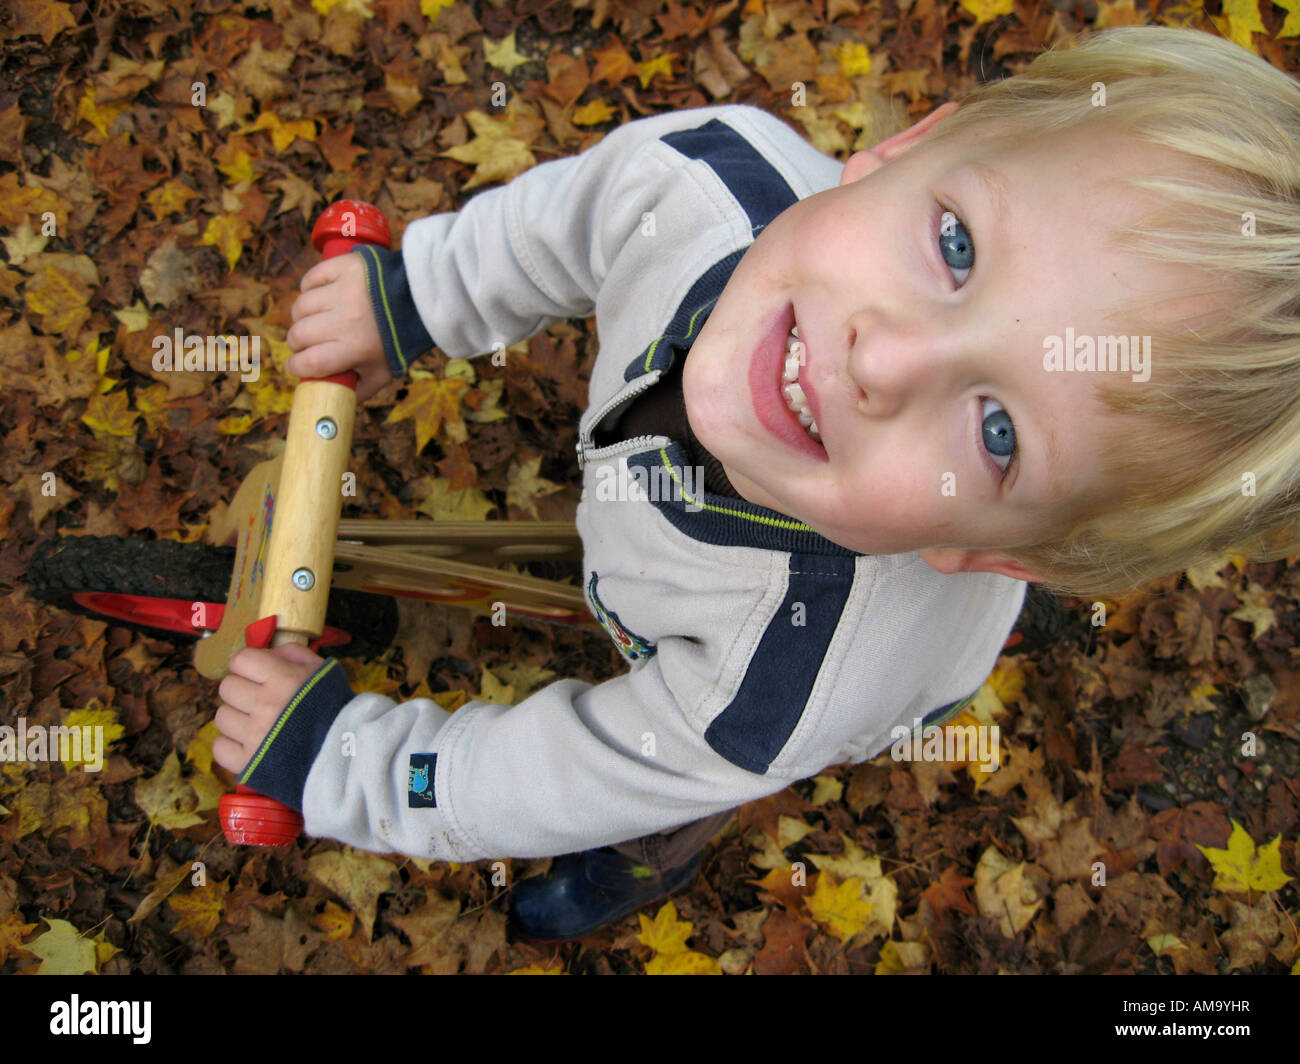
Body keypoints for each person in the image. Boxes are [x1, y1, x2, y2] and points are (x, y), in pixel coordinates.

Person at [212, 25, 1300, 942]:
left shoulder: (780, 681)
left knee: (654, 803)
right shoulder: (701, 179)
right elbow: (567, 223)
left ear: (992, 551)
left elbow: (551, 770)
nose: (881, 360)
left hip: (850, 672)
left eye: (999, 429)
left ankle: (635, 873)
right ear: (909, 145)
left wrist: (338, 761)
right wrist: (421, 297)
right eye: (957, 245)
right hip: (665, 524)